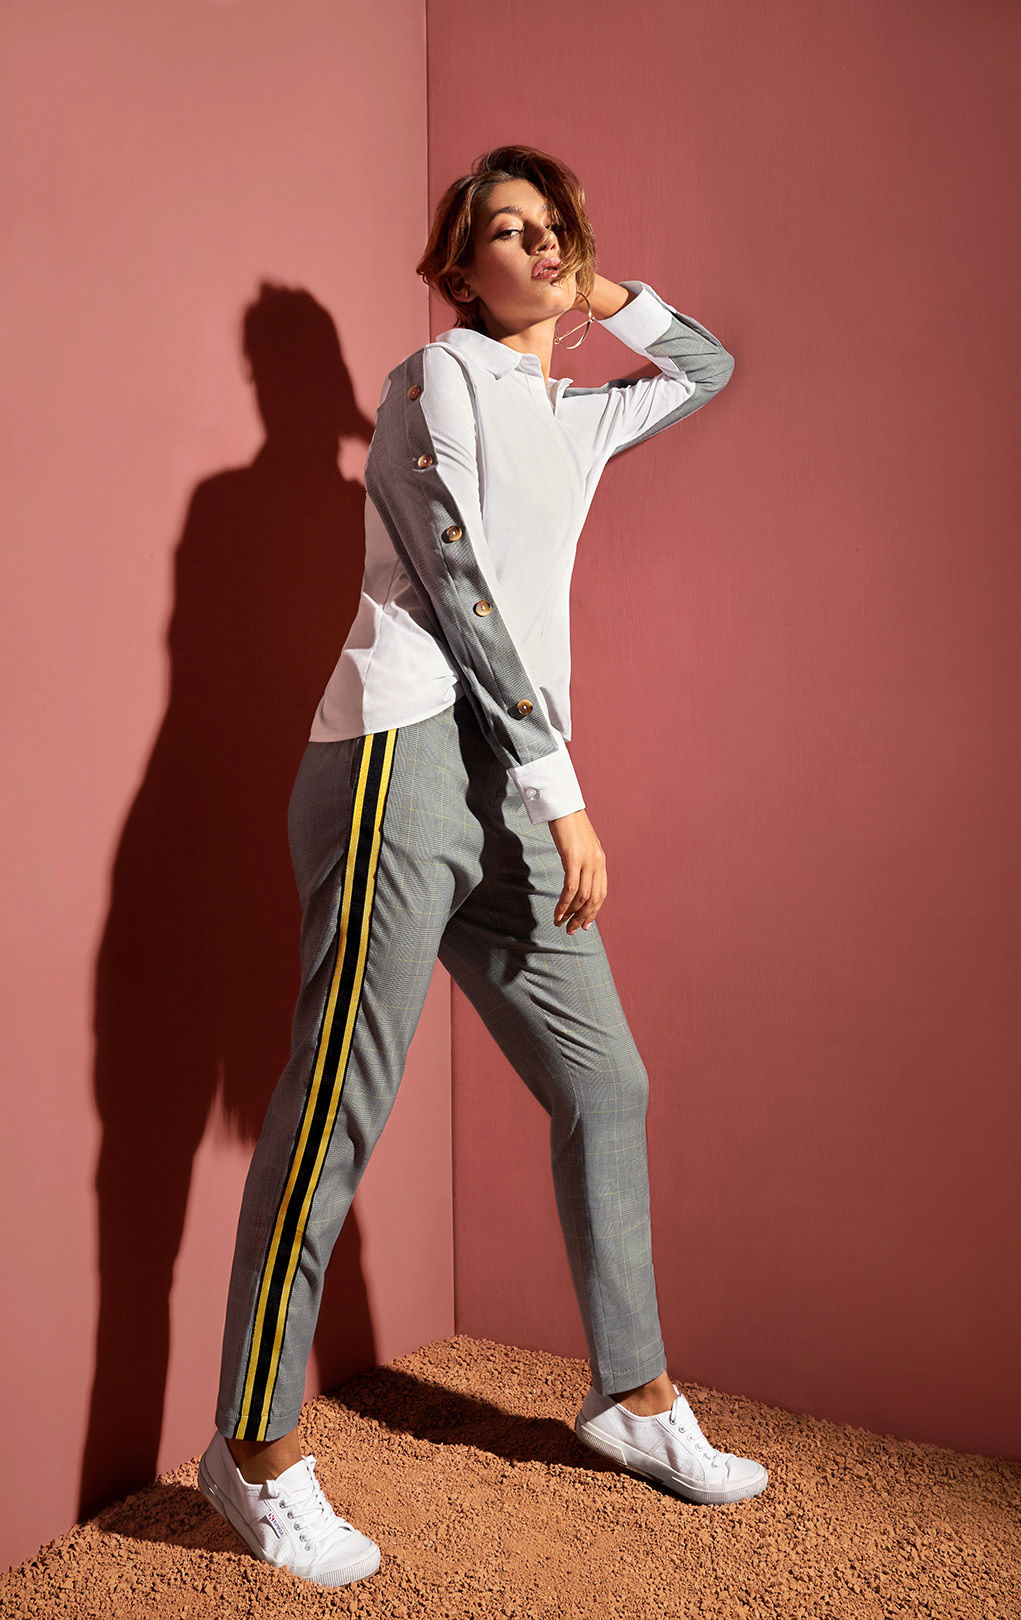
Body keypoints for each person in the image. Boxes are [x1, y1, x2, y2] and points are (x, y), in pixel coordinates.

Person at [197, 143, 766, 1588]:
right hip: (401, 761)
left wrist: (601, 291)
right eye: (505, 231)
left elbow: (703, 364)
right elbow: (459, 588)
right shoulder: (432, 380)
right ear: (459, 271)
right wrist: (564, 795)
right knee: (337, 1108)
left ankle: (631, 1397)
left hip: (508, 777)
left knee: (604, 1084)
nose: (538, 243)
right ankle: (252, 1453)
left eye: (553, 223)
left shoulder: (572, 410)